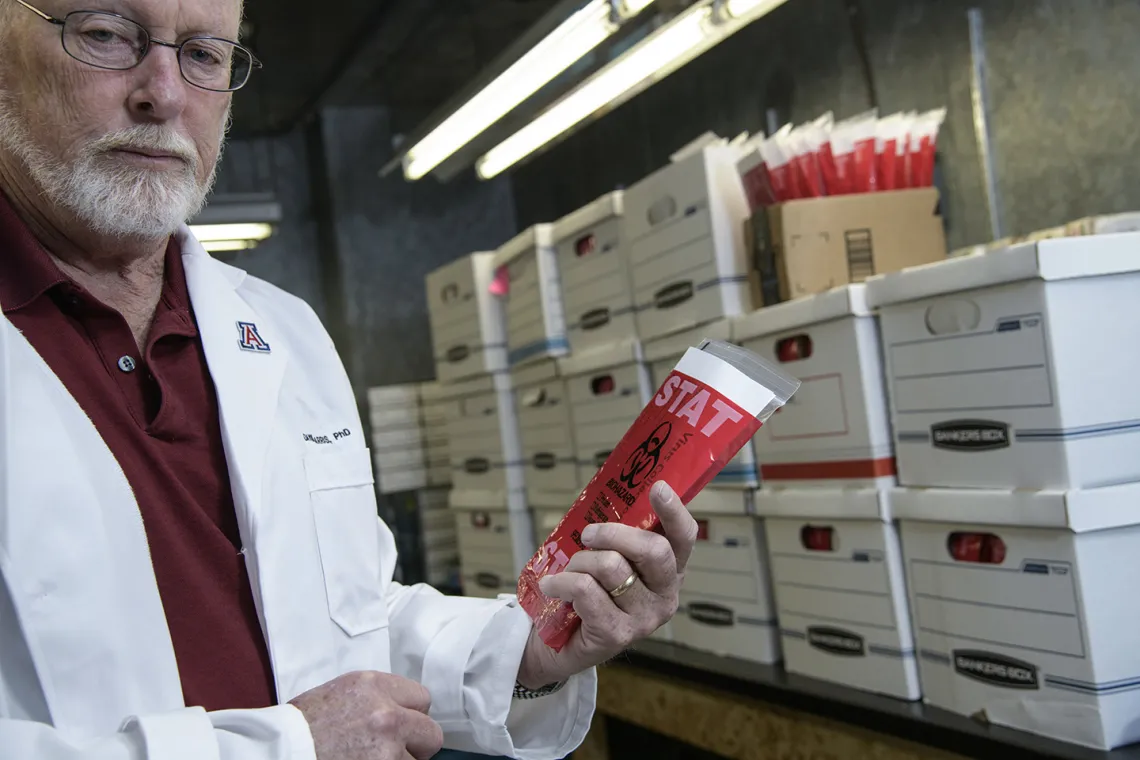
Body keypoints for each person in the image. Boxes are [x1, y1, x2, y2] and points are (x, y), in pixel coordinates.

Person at [0, 0, 700, 759]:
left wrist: (531, 648)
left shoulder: (282, 331)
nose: (164, 93)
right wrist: (282, 749)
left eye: (204, 54)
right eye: (107, 35)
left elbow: (349, 621)